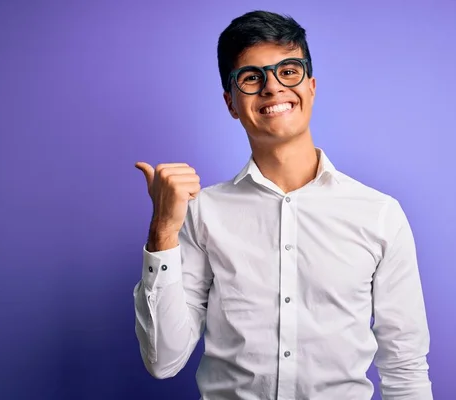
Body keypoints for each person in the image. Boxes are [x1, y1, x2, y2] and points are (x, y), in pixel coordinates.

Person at [133, 10, 433, 400]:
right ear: (231, 102)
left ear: (310, 86)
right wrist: (163, 231)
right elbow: (164, 362)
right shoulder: (202, 213)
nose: (273, 88)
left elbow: (404, 366)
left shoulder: (379, 214)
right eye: (252, 77)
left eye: (288, 71)